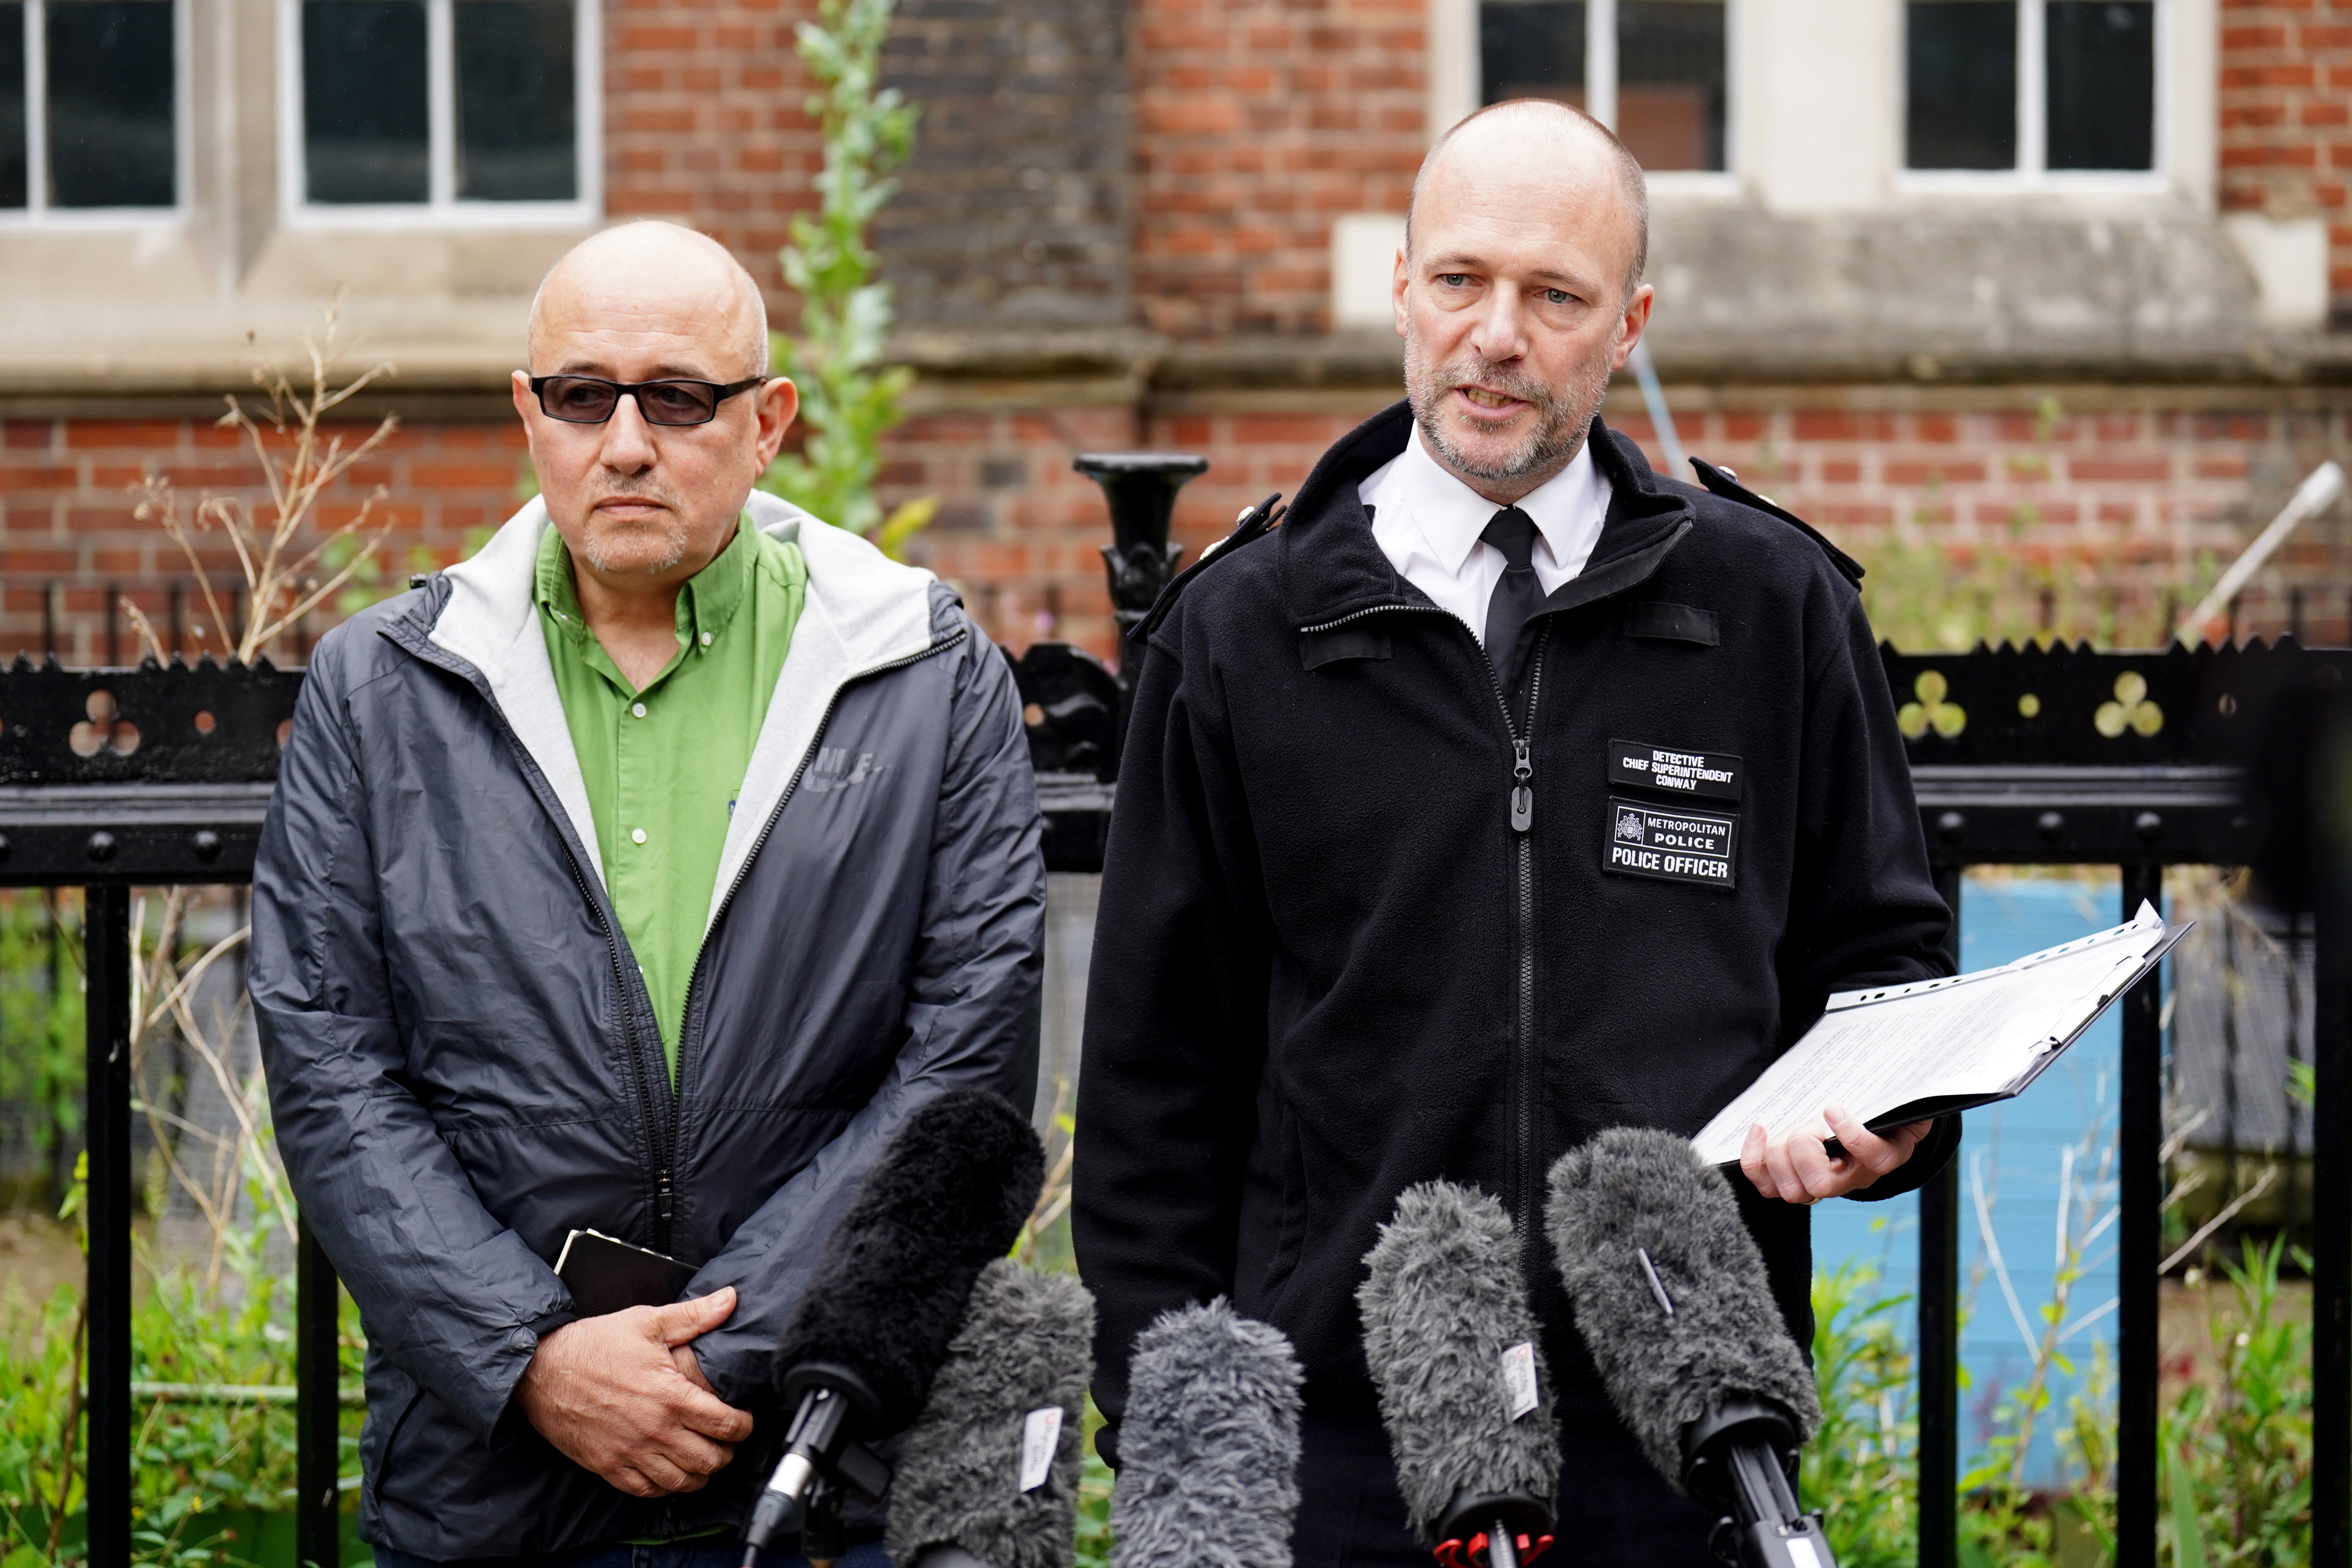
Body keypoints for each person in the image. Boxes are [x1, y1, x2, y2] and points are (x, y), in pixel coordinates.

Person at [1073, 101, 1957, 1566]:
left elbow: (1884, 966)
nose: (1498, 334)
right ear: (1403, 287)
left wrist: (1887, 1128)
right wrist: (1178, 1455)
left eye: (1555, 296)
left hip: (1682, 1431)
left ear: (1629, 327)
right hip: (1337, 1447)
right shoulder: (1242, 628)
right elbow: (1157, 1090)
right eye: (1463, 282)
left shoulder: (1773, 605)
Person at [252, 220, 1045, 1564]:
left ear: (768, 421)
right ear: (529, 412)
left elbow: (964, 1061)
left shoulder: (920, 674)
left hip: (814, 1453)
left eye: (677, 397)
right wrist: (538, 1359)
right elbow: (329, 1066)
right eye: (580, 396)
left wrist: (714, 1357)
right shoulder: (379, 688)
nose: (625, 443)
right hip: (491, 1473)